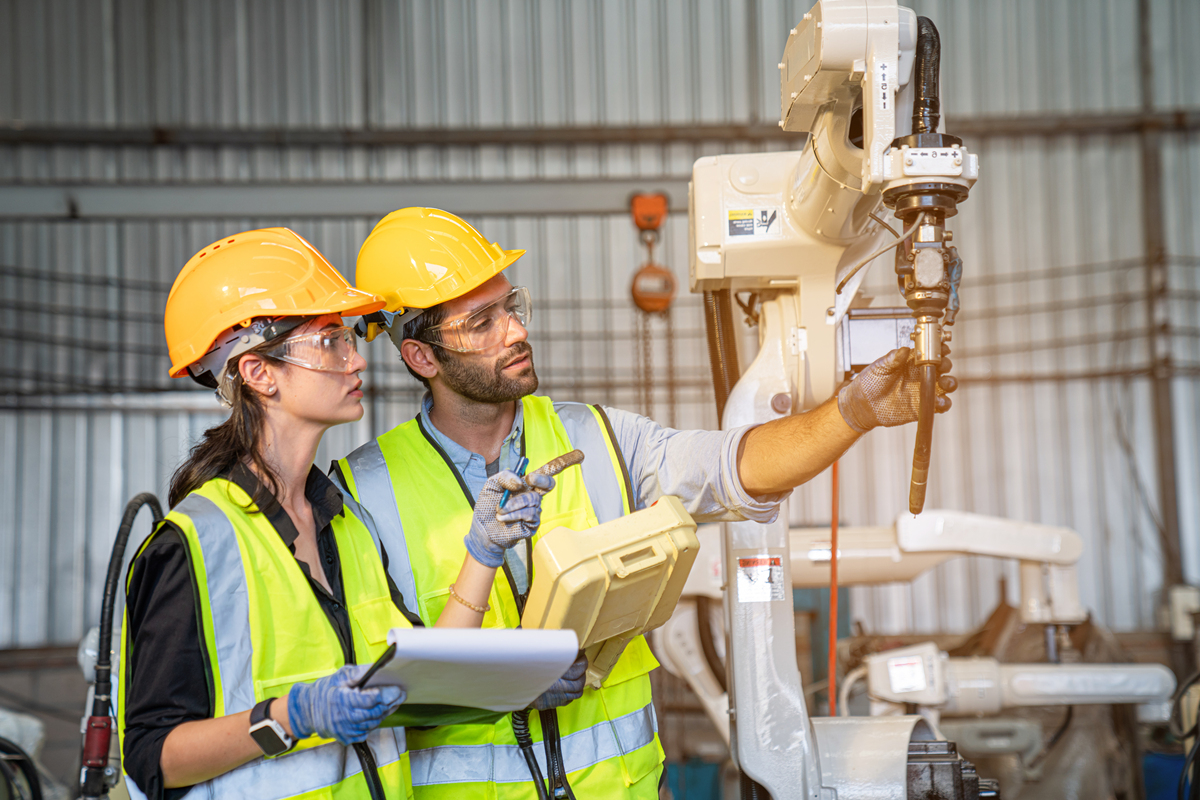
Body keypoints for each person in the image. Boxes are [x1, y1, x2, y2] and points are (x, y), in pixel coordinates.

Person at [335, 208, 957, 799]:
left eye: (511, 307)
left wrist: (854, 411)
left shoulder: (597, 436)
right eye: (482, 322)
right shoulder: (362, 492)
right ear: (420, 356)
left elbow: (734, 467)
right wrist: (509, 686)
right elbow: (375, 693)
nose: (518, 331)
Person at [118, 227, 564, 800]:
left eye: (347, 338)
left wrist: (484, 554)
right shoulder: (191, 545)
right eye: (329, 340)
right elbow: (153, 758)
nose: (356, 358)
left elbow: (416, 688)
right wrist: (289, 716)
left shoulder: (344, 517)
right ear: (258, 373)